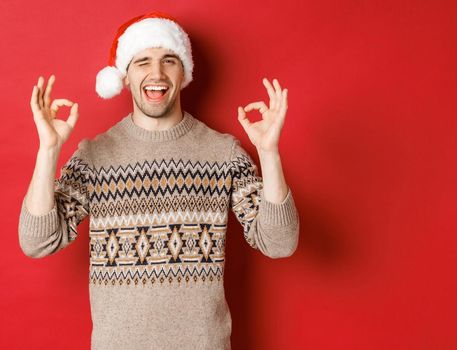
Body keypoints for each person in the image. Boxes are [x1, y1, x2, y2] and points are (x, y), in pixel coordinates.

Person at [18, 11, 299, 349]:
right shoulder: (94, 156)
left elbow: (279, 243)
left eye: (169, 60)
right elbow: (38, 241)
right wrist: (48, 150)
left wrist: (269, 153)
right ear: (124, 75)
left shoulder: (222, 152)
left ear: (183, 72)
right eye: (142, 62)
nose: (156, 73)